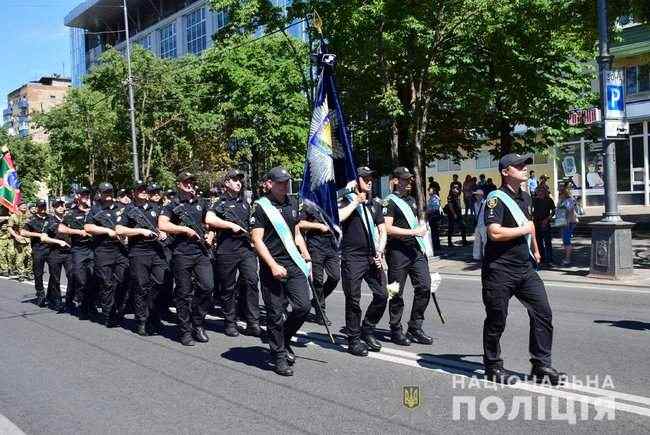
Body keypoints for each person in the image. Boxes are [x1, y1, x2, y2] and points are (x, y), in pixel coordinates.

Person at [482, 153, 564, 385]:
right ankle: (493, 365)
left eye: (525, 165)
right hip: (499, 269)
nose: (524, 168)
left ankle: (541, 364)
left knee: (543, 313)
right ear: (506, 172)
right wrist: (525, 230)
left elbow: (531, 228)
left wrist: (536, 249)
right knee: (497, 318)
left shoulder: (526, 198)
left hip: (525, 268)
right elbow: (495, 233)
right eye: (518, 166)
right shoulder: (495, 199)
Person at [250, 166, 311, 376]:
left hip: (293, 263)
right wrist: (273, 265)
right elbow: (257, 240)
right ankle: (278, 356)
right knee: (275, 314)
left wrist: (305, 255)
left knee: (303, 306)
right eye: (280, 182)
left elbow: (296, 234)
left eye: (287, 181)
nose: (285, 185)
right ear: (269, 184)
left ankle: (284, 339)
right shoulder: (260, 207)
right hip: (272, 266)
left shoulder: (293, 202)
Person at [338, 166, 388, 356]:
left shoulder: (374, 204)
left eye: (371, 178)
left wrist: (380, 250)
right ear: (356, 181)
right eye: (365, 178)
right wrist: (355, 202)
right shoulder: (346, 201)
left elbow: (382, 230)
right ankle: (353, 339)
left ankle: (367, 328)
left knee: (382, 295)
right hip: (352, 258)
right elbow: (339, 217)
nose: (369, 181)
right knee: (353, 299)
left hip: (371, 256)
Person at [159, 172, 214, 346]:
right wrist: (184, 230)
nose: (190, 184)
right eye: (186, 182)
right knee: (183, 293)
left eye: (192, 182)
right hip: (181, 254)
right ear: (179, 184)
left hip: (201, 252)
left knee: (207, 287)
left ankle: (197, 322)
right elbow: (162, 224)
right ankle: (185, 330)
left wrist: (211, 235)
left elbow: (210, 223)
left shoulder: (201, 203)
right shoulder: (172, 205)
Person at [205, 169, 261, 338]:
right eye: (235, 180)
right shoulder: (219, 203)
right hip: (226, 250)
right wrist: (230, 225)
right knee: (228, 288)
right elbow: (209, 219)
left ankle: (253, 322)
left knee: (252, 281)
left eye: (240, 180)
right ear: (227, 183)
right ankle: (230, 322)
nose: (238, 182)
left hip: (245, 249)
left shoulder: (245, 202)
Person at [383, 167, 433, 346]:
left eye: (409, 179)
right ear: (395, 181)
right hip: (397, 252)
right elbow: (387, 228)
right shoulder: (389, 202)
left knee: (425, 286)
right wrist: (413, 232)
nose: (408, 182)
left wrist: (420, 232)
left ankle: (415, 326)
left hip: (415, 250)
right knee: (395, 291)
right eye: (404, 179)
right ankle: (395, 328)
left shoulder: (411, 200)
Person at [116, 180, 168, 336]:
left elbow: (162, 225)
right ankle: (141, 320)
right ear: (134, 193)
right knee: (141, 286)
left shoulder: (156, 208)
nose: (144, 192)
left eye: (145, 189)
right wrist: (140, 231)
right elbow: (119, 229)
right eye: (140, 190)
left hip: (156, 252)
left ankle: (153, 315)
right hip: (138, 252)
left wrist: (163, 232)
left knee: (159, 283)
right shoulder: (129, 210)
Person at [84, 182, 130, 328]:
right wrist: (107, 231)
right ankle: (108, 313)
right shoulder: (95, 209)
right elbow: (88, 227)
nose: (108, 195)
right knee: (106, 282)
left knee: (122, 280)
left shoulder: (122, 209)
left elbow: (130, 225)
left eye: (110, 192)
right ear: (100, 193)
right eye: (105, 192)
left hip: (121, 250)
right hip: (103, 250)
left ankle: (117, 307)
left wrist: (127, 235)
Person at [298, 199, 340, 327]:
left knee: (335, 277)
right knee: (318, 281)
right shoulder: (308, 204)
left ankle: (316, 302)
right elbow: (300, 223)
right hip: (316, 245)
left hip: (331, 246)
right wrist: (318, 226)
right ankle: (320, 313)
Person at [59, 187, 97, 320]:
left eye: (88, 195)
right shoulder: (71, 213)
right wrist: (79, 232)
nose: (86, 197)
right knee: (81, 280)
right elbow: (61, 228)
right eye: (84, 195)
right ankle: (81, 304)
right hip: (79, 249)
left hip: (93, 248)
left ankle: (90, 305)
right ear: (78, 197)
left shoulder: (94, 211)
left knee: (93, 279)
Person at [20, 200, 54, 306]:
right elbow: (23, 232)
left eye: (44, 206)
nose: (42, 208)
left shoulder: (51, 218)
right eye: (40, 207)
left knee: (54, 272)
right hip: (38, 249)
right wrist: (38, 235)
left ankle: (50, 293)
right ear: (37, 207)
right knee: (38, 273)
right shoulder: (32, 219)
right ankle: (40, 294)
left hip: (51, 248)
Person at [45, 197, 74, 312]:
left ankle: (69, 300)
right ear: (53, 208)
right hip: (54, 252)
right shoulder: (50, 221)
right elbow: (44, 237)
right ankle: (57, 301)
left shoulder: (69, 219)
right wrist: (58, 241)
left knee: (72, 276)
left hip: (68, 253)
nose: (61, 207)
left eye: (62, 205)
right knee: (55, 279)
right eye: (58, 206)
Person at [8, 202, 32, 281]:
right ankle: (21, 273)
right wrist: (16, 236)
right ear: (18, 207)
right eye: (22, 205)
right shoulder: (14, 216)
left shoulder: (30, 216)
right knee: (20, 258)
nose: (24, 206)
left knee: (30, 256)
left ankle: (28, 272)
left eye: (25, 205)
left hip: (28, 239)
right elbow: (9, 228)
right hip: (19, 239)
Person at [532, 188, 555, 266]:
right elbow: (531, 210)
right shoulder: (534, 200)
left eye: (541, 191)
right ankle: (541, 259)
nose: (540, 193)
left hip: (545, 223)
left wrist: (548, 219)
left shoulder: (549, 200)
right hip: (536, 223)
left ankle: (549, 260)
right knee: (539, 242)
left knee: (547, 242)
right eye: (538, 191)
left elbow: (553, 211)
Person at [557, 185, 578, 266]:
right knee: (565, 240)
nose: (559, 192)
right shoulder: (562, 199)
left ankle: (567, 259)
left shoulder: (568, 200)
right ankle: (566, 256)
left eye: (560, 191)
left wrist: (567, 223)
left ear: (564, 192)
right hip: (563, 222)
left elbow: (570, 212)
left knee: (566, 241)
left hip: (568, 223)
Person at [426, 187, 442, 253]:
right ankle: (436, 246)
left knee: (435, 232)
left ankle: (436, 246)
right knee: (434, 232)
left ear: (433, 191)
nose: (429, 192)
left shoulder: (435, 198)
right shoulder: (432, 198)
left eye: (430, 190)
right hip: (432, 216)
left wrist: (428, 211)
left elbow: (435, 207)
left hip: (434, 216)